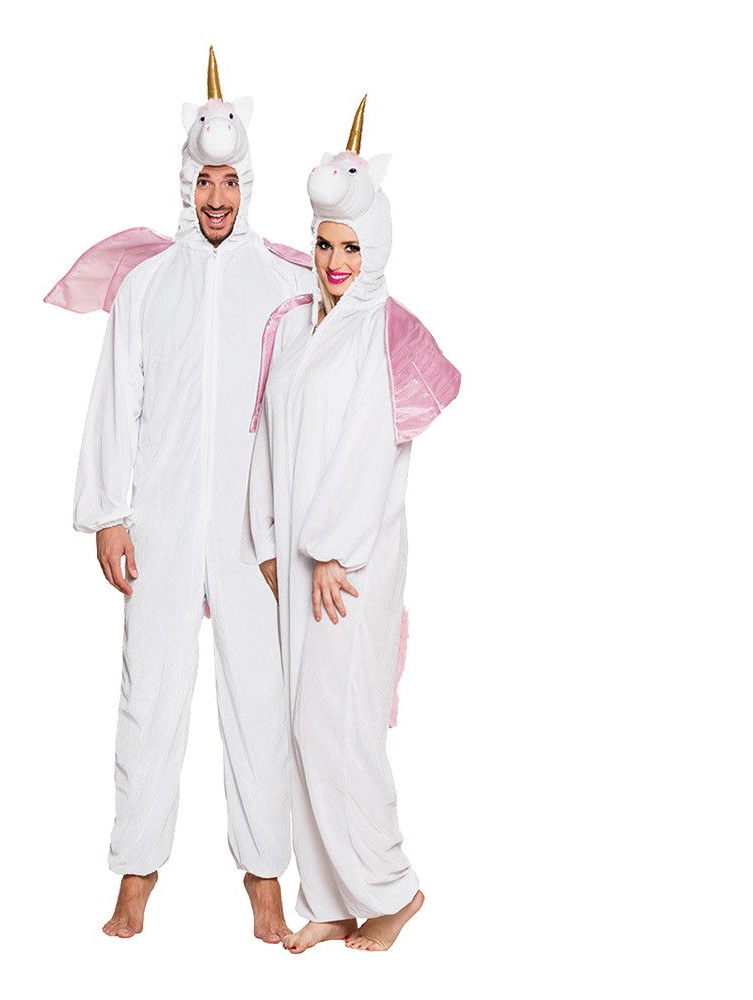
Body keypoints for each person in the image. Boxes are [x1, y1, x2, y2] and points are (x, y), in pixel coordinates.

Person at [45, 48, 314, 941]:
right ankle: (136, 874)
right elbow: (116, 397)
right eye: (205, 181)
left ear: (248, 185)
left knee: (259, 699)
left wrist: (298, 529)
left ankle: (265, 879)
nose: (217, 199)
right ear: (186, 182)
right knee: (149, 692)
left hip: (252, 531)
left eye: (230, 182)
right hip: (160, 520)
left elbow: (302, 414)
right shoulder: (148, 286)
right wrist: (108, 514)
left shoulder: (284, 287)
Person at [242, 97, 461, 953]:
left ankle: (393, 891)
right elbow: (267, 432)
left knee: (339, 726)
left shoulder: (377, 335)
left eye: (352, 247)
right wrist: (268, 541)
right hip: (299, 562)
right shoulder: (297, 327)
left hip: (348, 567)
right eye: (326, 244)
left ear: (377, 248)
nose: (336, 262)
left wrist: (330, 552)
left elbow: (369, 456)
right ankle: (332, 899)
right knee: (300, 729)